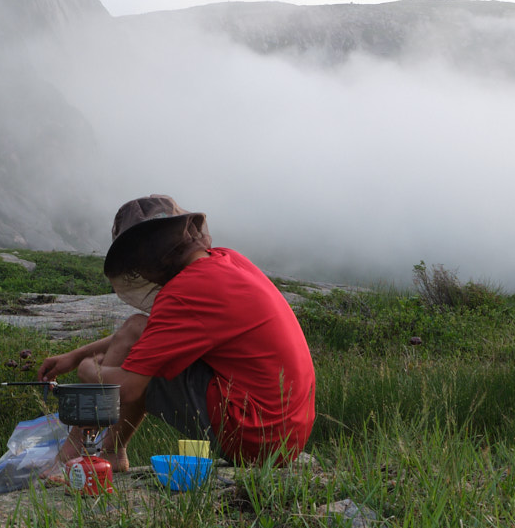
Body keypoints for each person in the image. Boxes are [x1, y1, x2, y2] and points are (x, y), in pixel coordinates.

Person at [39, 196, 315, 471]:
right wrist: (75, 356)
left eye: (137, 261)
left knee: (137, 357)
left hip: (254, 436)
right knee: (137, 329)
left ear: (151, 255)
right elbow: (151, 336)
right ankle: (108, 450)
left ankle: (75, 453)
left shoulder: (186, 291)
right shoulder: (226, 260)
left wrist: (89, 370)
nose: (139, 271)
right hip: (284, 435)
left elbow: (128, 387)